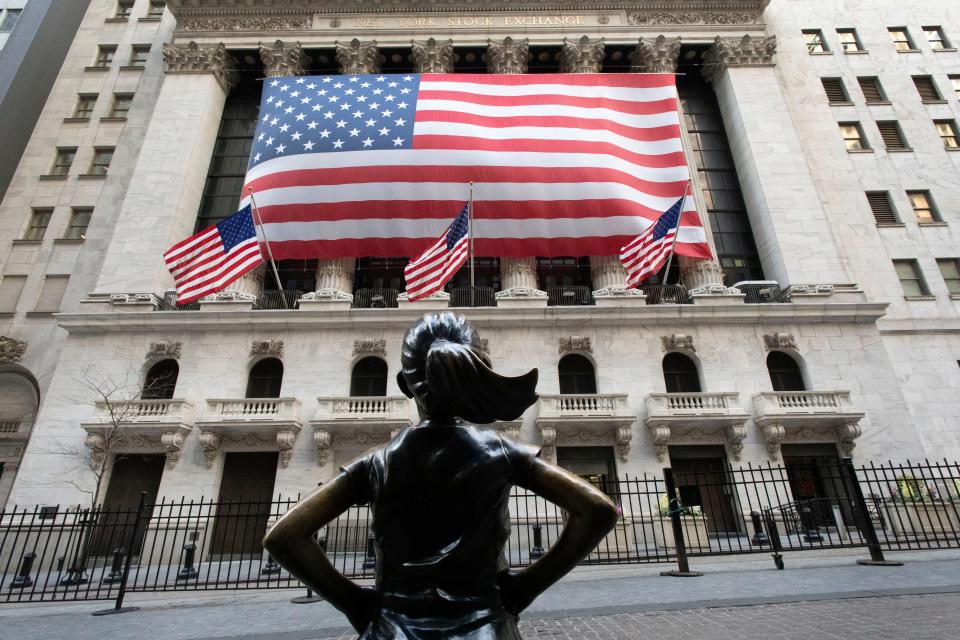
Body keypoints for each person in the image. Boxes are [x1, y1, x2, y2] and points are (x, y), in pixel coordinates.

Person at [264, 313, 618, 639]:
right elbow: (598, 510)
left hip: (393, 630)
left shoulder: (377, 462)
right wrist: (524, 588)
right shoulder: (501, 451)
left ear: (405, 384)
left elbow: (285, 537)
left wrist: (356, 604)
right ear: (478, 372)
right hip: (485, 629)